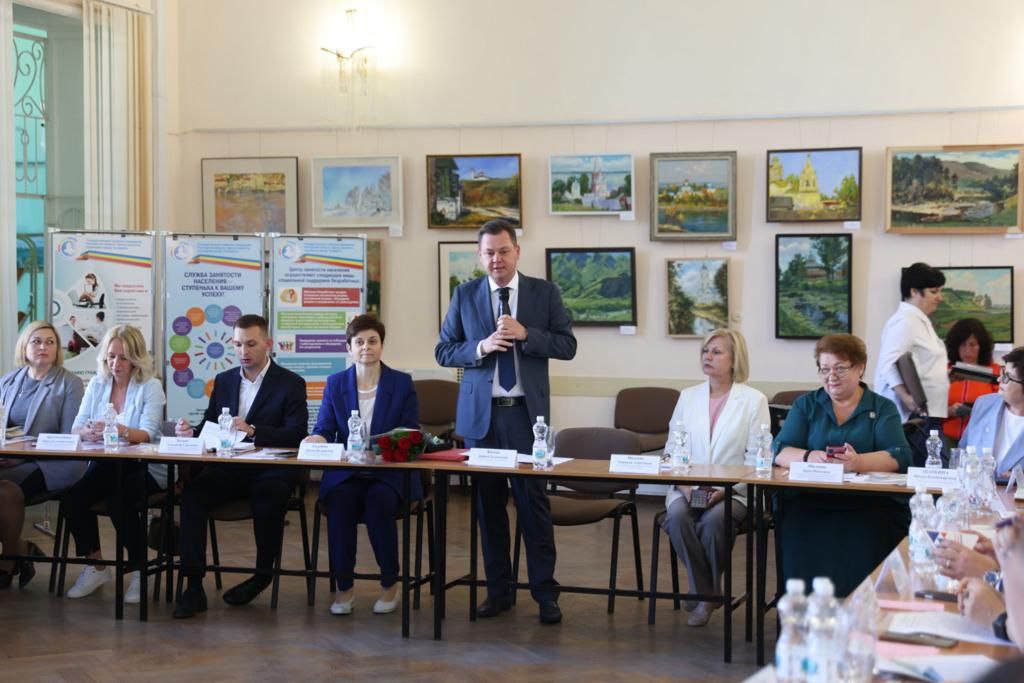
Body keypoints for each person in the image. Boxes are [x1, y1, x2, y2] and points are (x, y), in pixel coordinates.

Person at [435, 219, 577, 625]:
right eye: (489, 253)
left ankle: (546, 595)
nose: (496, 259)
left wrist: (526, 334)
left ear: (517, 251)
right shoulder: (464, 294)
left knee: (534, 508)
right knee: (488, 509)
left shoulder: (543, 293)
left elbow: (567, 345)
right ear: (480, 256)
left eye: (503, 251)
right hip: (482, 421)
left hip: (526, 419)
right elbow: (443, 351)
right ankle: (498, 592)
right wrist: (480, 347)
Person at [172, 314, 308, 619]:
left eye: (251, 344)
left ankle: (262, 576)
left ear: (268, 343)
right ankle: (193, 586)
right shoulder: (225, 380)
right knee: (193, 496)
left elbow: (297, 433)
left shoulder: (290, 383)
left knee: (267, 497)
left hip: (271, 469)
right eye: (237, 344)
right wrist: (190, 432)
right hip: (231, 466)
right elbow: (210, 424)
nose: (243, 351)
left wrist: (254, 430)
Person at [773, 334, 912, 597]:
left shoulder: (882, 407)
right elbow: (779, 450)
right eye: (824, 369)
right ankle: (805, 612)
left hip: (868, 503)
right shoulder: (807, 405)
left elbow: (899, 456)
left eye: (839, 368)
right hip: (811, 500)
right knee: (797, 523)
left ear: (860, 367)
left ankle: (863, 610)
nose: (831, 377)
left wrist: (858, 462)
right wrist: (810, 456)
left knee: (869, 529)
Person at [303, 314, 420, 616]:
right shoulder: (335, 383)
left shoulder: (401, 383)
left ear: (382, 345)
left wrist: (379, 452)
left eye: (372, 341)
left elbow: (410, 432)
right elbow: (325, 427)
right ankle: (344, 587)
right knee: (340, 503)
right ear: (349, 347)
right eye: (359, 342)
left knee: (378, 504)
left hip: (389, 472)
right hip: (348, 472)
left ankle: (390, 583)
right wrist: (315, 439)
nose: (366, 347)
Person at [662, 329, 769, 627]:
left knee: (713, 522)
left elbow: (756, 458)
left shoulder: (754, 400)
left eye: (716, 352)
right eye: (705, 351)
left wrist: (725, 490)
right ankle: (708, 592)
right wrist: (685, 487)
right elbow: (671, 450)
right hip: (688, 486)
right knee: (677, 518)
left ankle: (701, 593)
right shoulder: (687, 397)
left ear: (735, 359)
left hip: (735, 491)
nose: (707, 356)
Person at [62, 325, 165, 603]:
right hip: (106, 465)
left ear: (136, 358)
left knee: (119, 500)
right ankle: (96, 566)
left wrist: (119, 430)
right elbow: (76, 427)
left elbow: (147, 433)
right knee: (72, 500)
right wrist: (88, 432)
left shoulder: (151, 386)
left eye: (123, 357)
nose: (115, 363)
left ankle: (141, 570)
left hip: (144, 466)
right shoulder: (98, 384)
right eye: (111, 356)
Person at [0, 321, 84, 588]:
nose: (43, 347)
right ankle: (22, 549)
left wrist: (23, 455)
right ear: (24, 347)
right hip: (9, 459)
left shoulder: (69, 383)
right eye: (36, 341)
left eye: (50, 342)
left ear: (57, 349)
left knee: (5, 492)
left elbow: (69, 438)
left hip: (52, 462)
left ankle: (7, 563)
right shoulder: (8, 381)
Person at [874, 262, 948, 464]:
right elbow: (887, 363)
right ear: (914, 292)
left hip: (928, 413)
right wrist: (906, 397)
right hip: (912, 418)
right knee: (928, 471)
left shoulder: (919, 320)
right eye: (933, 292)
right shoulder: (904, 321)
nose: (939, 297)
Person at [959, 346, 1024, 478]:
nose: (999, 379)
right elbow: (962, 452)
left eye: (1007, 377)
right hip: (974, 488)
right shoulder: (984, 404)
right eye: (1002, 372)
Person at [943, 317, 999, 442]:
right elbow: (928, 410)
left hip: (981, 439)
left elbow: (1002, 410)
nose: (967, 350)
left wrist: (976, 411)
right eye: (962, 345)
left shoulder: (995, 372)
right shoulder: (945, 371)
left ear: (981, 346)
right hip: (946, 438)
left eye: (972, 345)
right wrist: (950, 411)